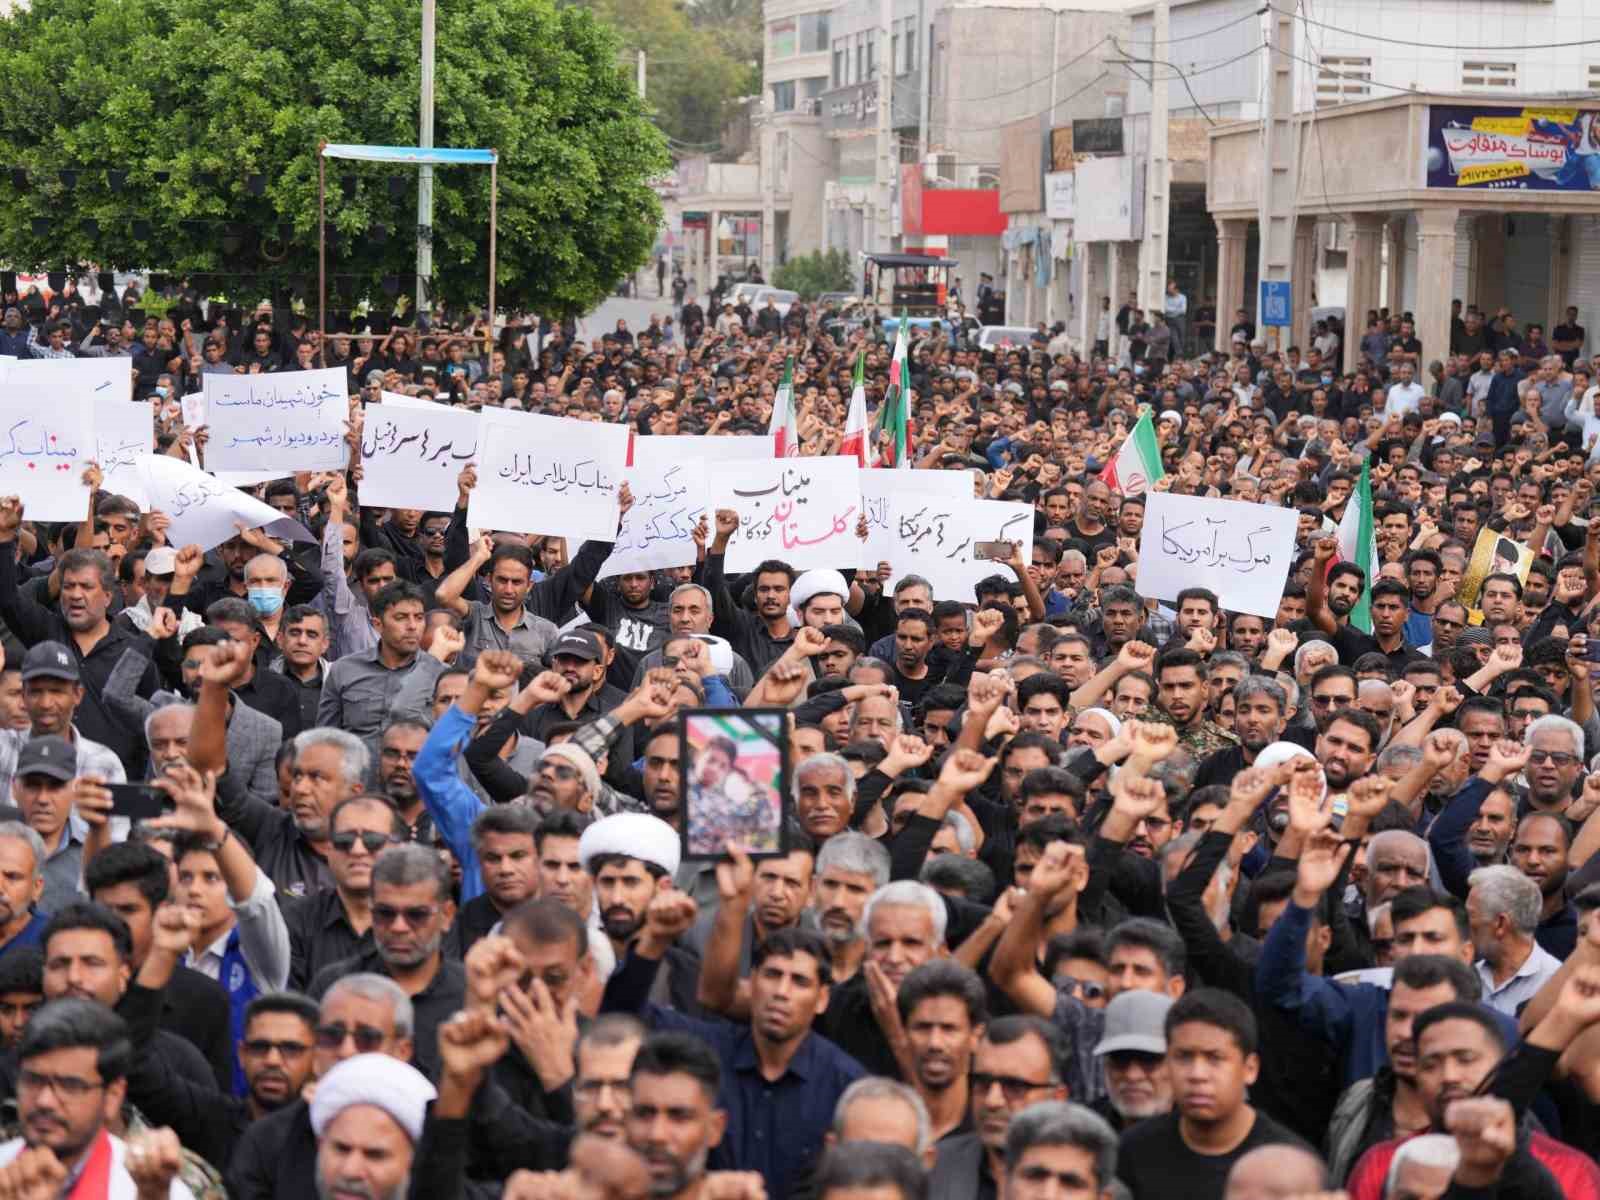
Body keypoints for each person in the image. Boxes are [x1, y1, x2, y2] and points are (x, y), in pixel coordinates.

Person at [1116, 989, 1307, 1199]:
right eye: (1184, 1057)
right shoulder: (1132, 1152)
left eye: (1215, 1058)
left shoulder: (1292, 1166)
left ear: (1250, 1069)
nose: (1197, 1075)